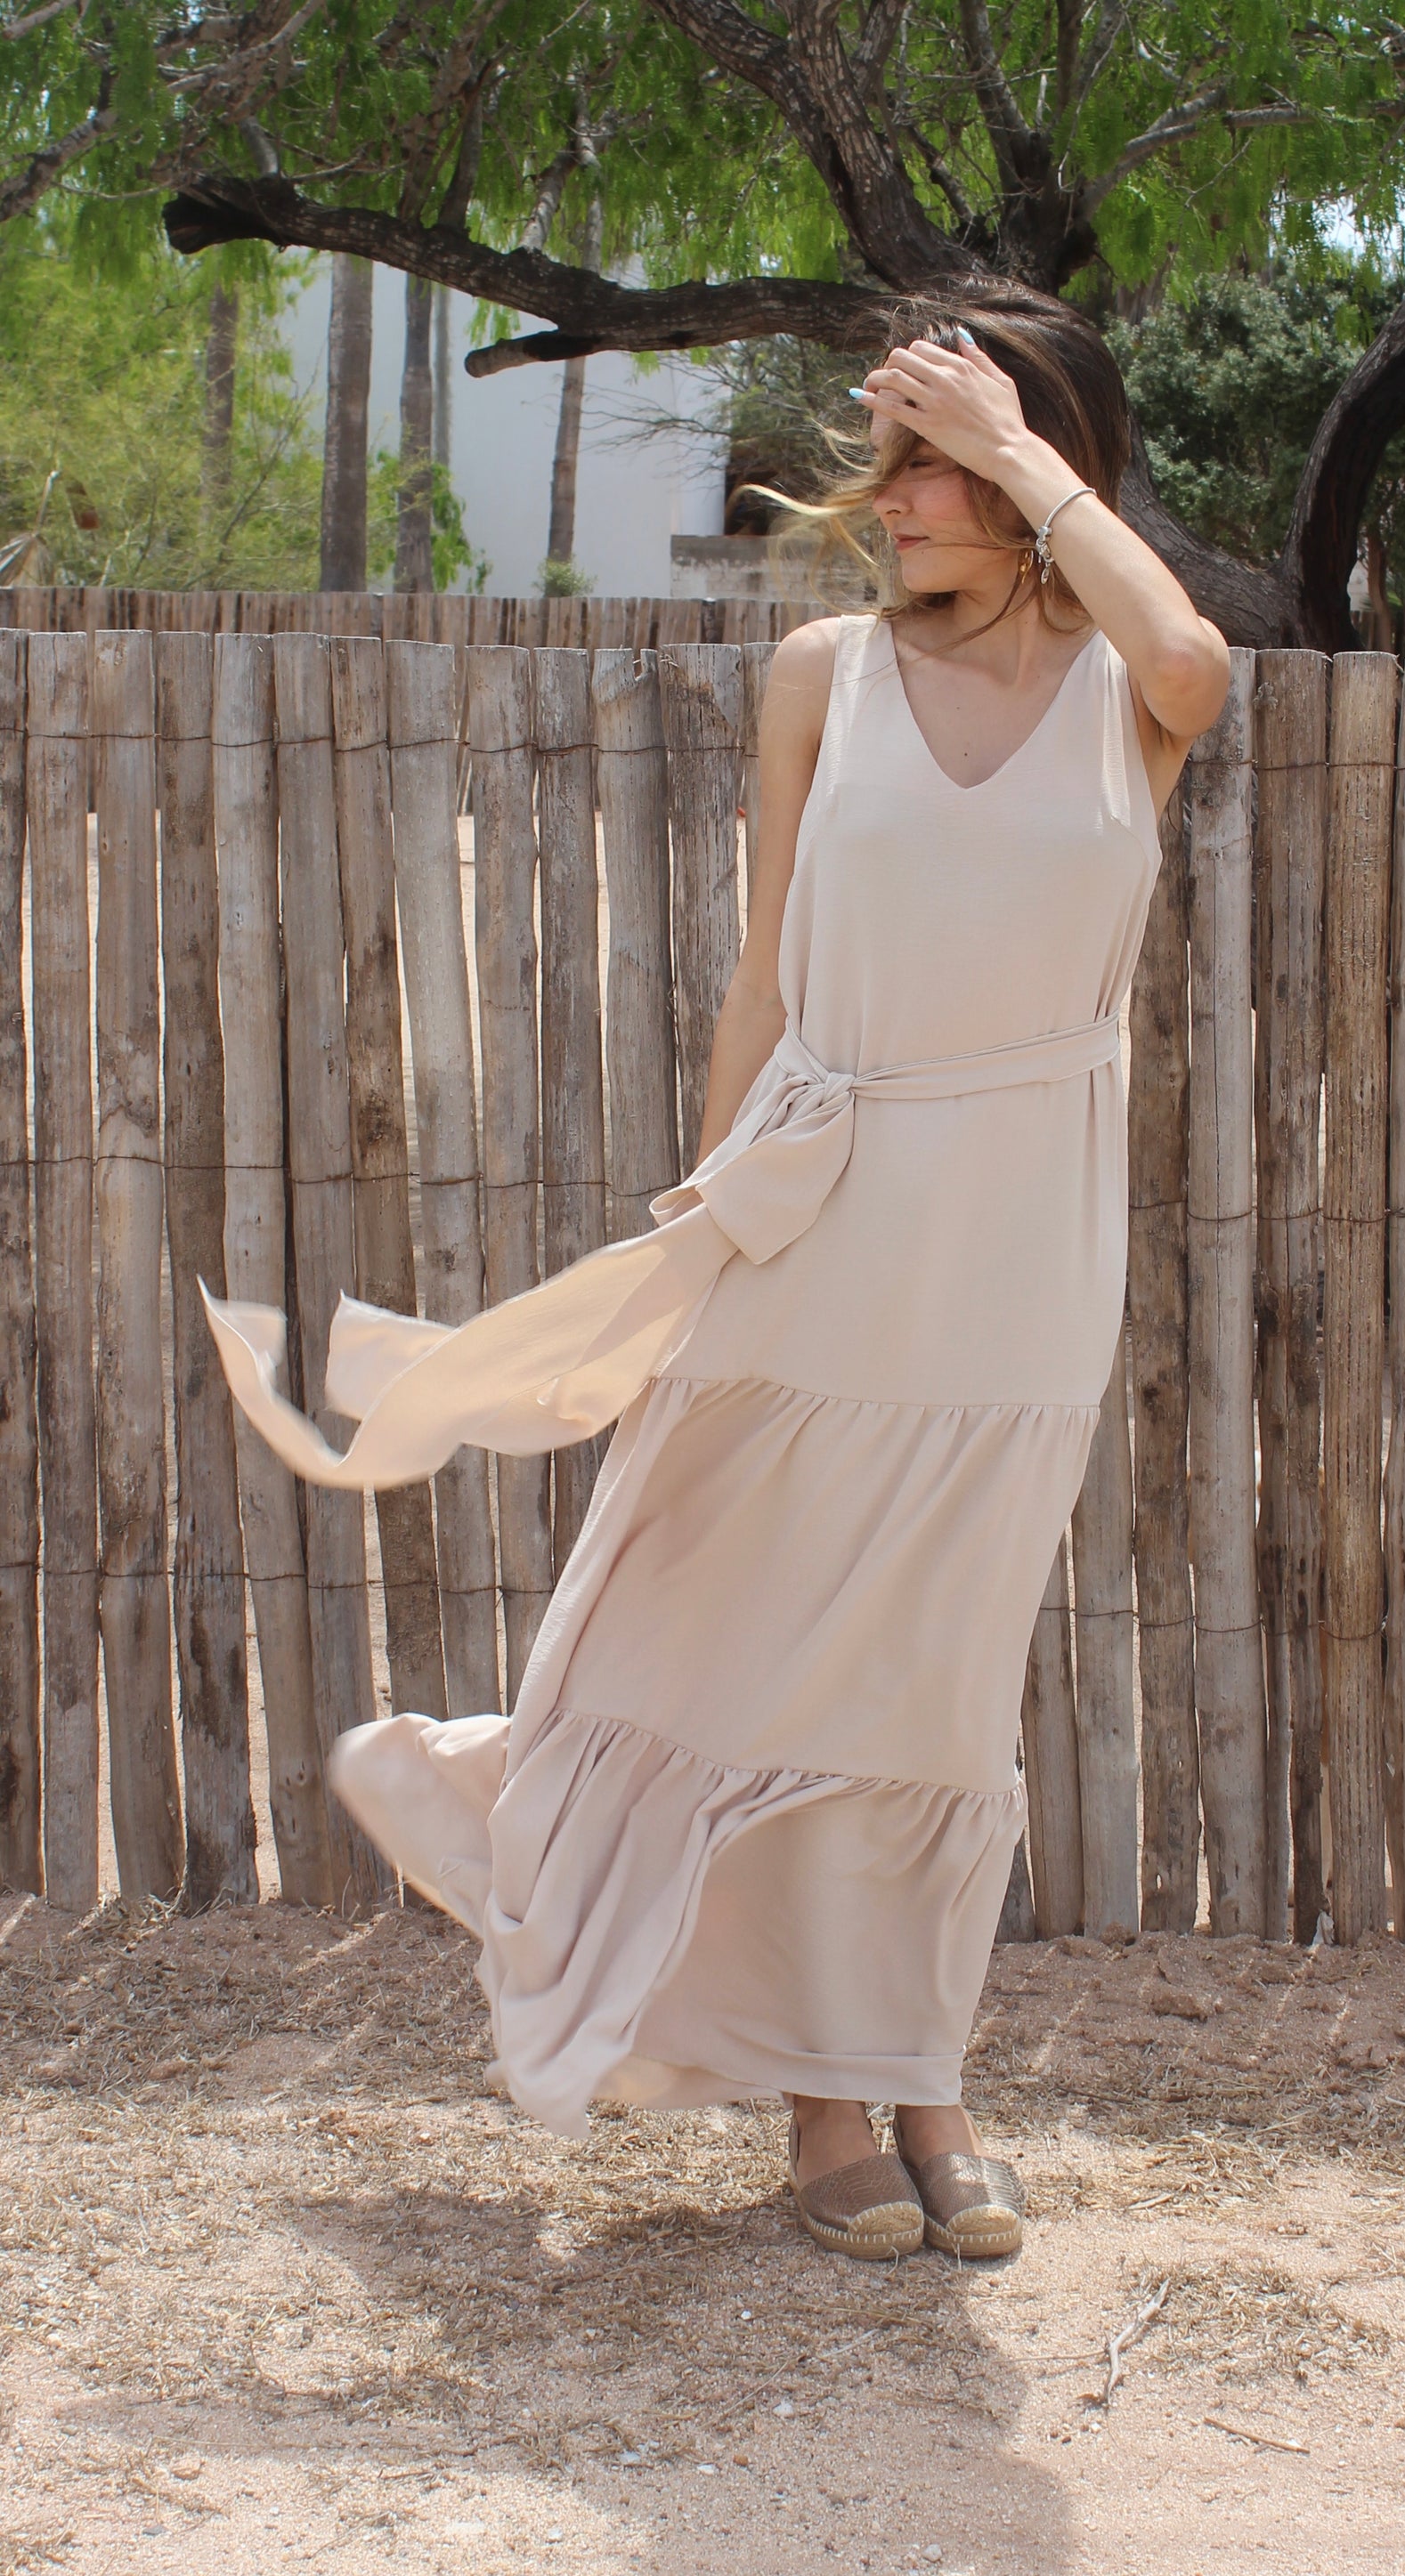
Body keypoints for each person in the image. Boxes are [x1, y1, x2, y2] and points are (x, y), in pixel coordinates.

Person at [205, 288, 1228, 2266]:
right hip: (815, 1217)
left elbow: (1196, 657)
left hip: (1020, 1255)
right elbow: (764, 981)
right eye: (892, 457)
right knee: (761, 1649)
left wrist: (1017, 453)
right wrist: (703, 1223)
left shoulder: (1128, 688)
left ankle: (923, 2074)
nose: (896, 495)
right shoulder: (823, 674)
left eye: (938, 460)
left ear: (1042, 465)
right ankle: (832, 2100)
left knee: (933, 1687)